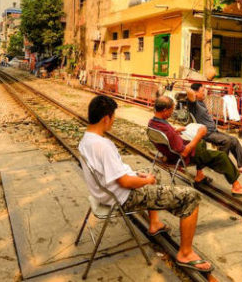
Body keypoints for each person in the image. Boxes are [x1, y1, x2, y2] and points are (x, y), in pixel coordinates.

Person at [78, 95, 213, 272]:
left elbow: (117, 174)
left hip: (104, 193)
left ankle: (154, 223)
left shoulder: (86, 140)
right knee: (192, 196)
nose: (113, 121)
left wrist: (138, 175)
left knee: (153, 172)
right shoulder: (103, 146)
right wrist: (144, 181)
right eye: (113, 117)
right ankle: (185, 254)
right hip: (124, 197)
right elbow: (125, 182)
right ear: (106, 118)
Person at [149, 96, 242, 197]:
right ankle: (237, 187)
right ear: (164, 110)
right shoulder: (167, 130)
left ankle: (200, 176)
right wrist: (199, 134)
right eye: (171, 110)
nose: (172, 112)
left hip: (169, 152)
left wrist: (175, 130)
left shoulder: (152, 123)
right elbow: (184, 152)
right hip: (181, 157)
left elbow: (167, 136)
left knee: (202, 142)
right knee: (221, 156)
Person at [186, 83, 242, 175]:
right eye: (202, 91)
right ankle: (220, 165)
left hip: (213, 131)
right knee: (226, 141)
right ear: (195, 93)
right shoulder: (193, 103)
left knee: (234, 140)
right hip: (206, 133)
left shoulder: (201, 101)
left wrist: (202, 90)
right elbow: (189, 92)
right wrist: (193, 91)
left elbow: (200, 93)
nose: (205, 93)